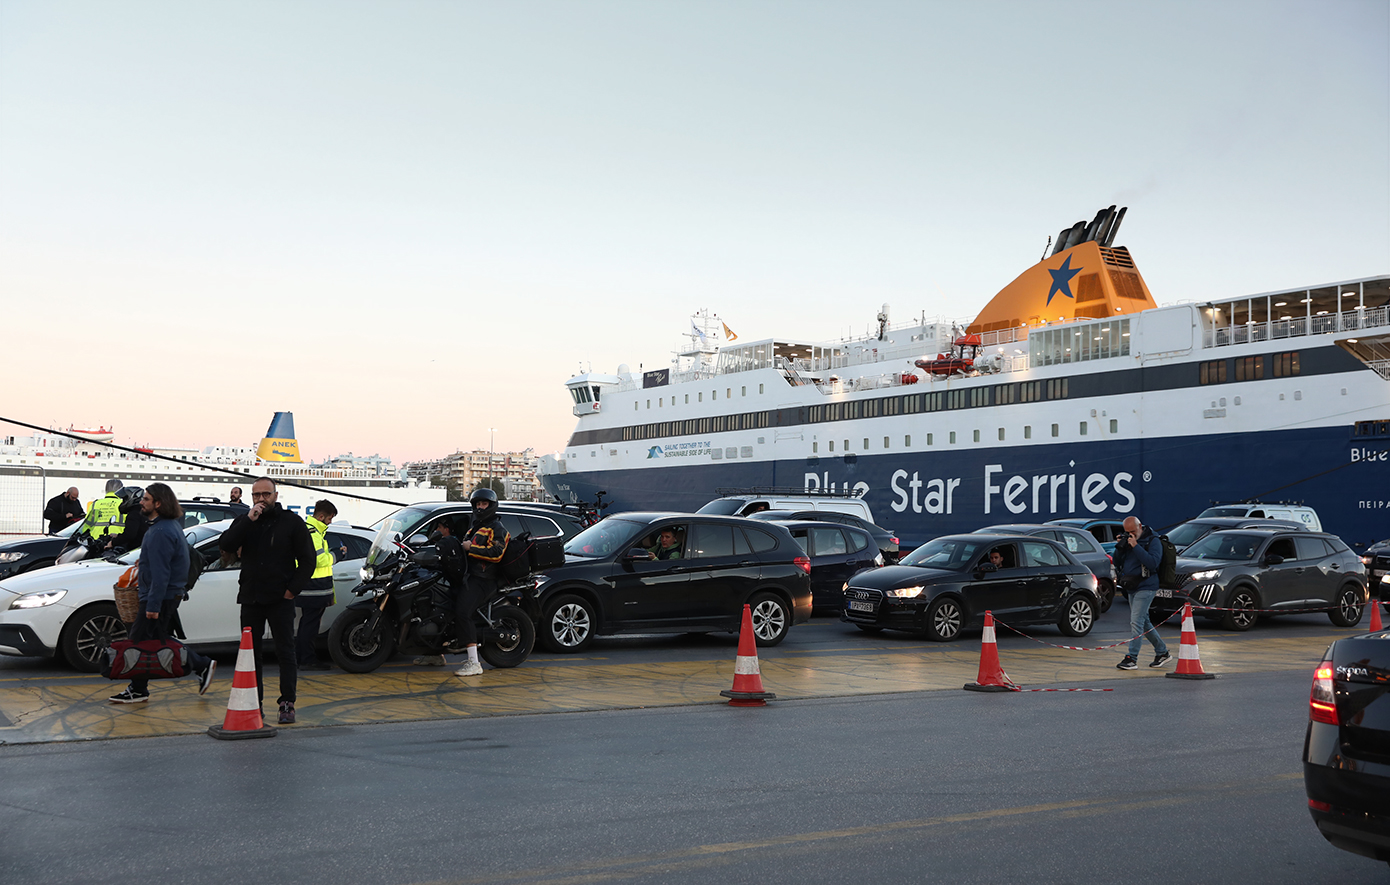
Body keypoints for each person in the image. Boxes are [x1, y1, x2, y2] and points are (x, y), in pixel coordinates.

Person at [219, 477, 315, 724]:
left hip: (280, 598)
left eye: (266, 494)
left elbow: (308, 560)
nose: (261, 499)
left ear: (275, 495)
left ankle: (287, 702)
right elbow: (226, 544)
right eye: (256, 495)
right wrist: (248, 520)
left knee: (285, 651)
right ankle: (254, 703)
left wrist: (292, 590)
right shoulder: (245, 521)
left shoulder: (291, 522)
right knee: (251, 655)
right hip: (251, 598)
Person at [108, 484, 216, 704]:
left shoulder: (160, 531)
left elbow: (161, 572)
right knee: (152, 639)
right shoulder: (167, 526)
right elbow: (164, 562)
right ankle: (140, 687)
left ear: (158, 503)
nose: (141, 502)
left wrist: (153, 605)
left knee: (141, 640)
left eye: (146, 499)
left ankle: (200, 665)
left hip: (160, 596)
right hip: (166, 594)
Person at [452, 488, 509, 678]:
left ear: (491, 505)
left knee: (463, 612)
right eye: (477, 504)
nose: (480, 507)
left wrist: (472, 548)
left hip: (484, 579)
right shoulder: (475, 527)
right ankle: (435, 654)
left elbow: (497, 553)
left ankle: (474, 663)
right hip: (469, 576)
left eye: (484, 504)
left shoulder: (497, 529)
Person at [1114, 515, 1172, 671]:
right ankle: (1162, 652)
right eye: (1127, 532)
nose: (1131, 534)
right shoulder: (1129, 540)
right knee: (1144, 622)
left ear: (1140, 526)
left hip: (1147, 586)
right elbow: (1117, 562)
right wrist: (1120, 547)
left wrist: (1136, 546)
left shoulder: (1153, 541)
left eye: (1133, 531)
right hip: (1131, 586)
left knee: (1136, 622)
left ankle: (1131, 658)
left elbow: (1153, 563)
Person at [295, 500, 339, 671]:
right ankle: (307, 659)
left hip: (310, 585)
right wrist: (336, 556)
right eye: (329, 518)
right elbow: (319, 560)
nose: (330, 522)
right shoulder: (313, 533)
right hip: (315, 587)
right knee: (310, 625)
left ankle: (301, 657)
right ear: (321, 516)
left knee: (307, 623)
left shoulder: (309, 530)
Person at [415, 519, 465, 667]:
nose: (436, 530)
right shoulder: (451, 542)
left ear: (447, 529)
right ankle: (433, 654)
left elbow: (440, 561)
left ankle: (438, 652)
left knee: (435, 611)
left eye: (439, 527)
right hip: (448, 583)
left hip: (453, 585)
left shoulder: (448, 542)